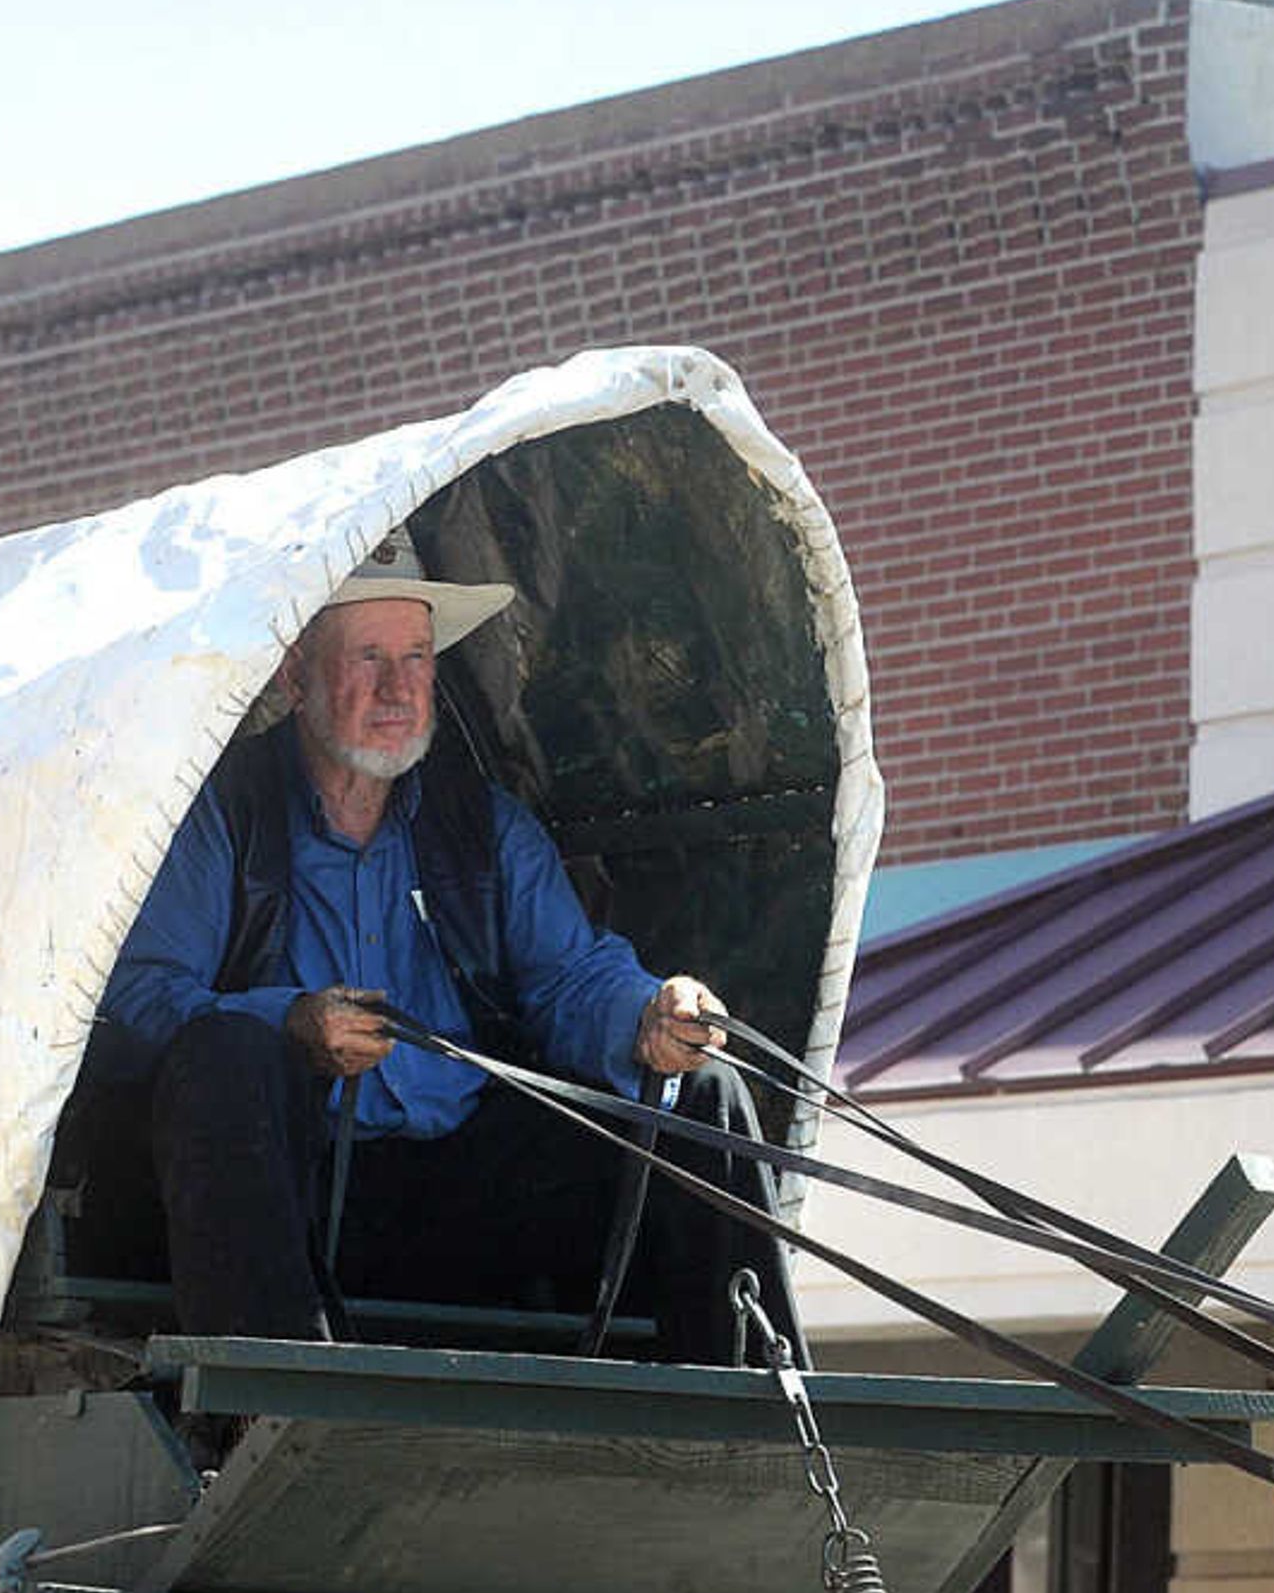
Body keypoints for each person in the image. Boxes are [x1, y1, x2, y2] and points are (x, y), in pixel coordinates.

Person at [87, 528, 795, 1362]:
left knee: (701, 1092)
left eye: (417, 658)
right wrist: (288, 1025)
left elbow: (570, 976)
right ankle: (268, 1408)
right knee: (224, 1058)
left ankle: (763, 1430)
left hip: (469, 1194)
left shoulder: (485, 827)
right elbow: (134, 1003)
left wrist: (649, 1012)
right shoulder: (221, 814)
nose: (398, 689)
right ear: (295, 677)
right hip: (293, 1205)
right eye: (369, 659)